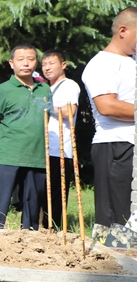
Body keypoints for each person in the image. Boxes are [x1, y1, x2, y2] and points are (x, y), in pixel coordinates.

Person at [0, 44, 52, 230]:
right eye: (21, 59)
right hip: (9, 156)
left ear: (36, 62)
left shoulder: (44, 90)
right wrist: (8, 141)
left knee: (33, 203)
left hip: (37, 157)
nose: (26, 63)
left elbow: (46, 120)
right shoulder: (2, 90)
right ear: (12, 63)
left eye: (31, 59)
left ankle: (29, 241)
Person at [81, 7, 136, 231]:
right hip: (115, 145)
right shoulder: (101, 64)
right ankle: (111, 264)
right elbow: (107, 106)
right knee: (116, 221)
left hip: (132, 143)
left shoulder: (132, 61)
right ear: (123, 30)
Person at [41, 51, 79, 230]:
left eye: (51, 63)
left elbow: (69, 111)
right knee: (42, 193)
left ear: (63, 65)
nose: (47, 67)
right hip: (44, 148)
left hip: (60, 149)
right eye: (44, 64)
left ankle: (54, 229)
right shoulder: (45, 89)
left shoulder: (69, 85)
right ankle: (40, 227)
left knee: (56, 193)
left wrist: (47, 107)